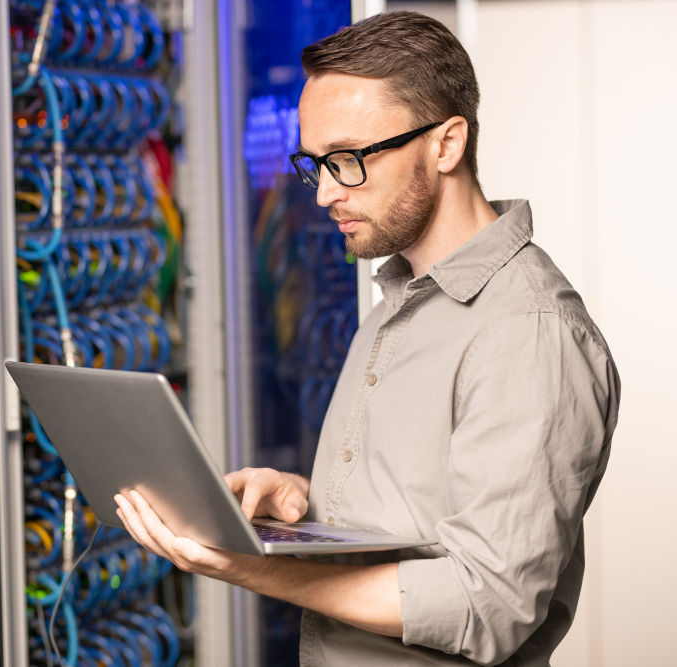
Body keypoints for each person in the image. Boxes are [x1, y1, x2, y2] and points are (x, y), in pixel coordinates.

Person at [114, 11, 620, 666]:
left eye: (348, 160)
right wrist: (294, 504)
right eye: (315, 163)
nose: (324, 192)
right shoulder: (397, 302)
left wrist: (249, 566)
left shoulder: (529, 332)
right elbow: (412, 518)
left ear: (446, 144)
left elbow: (486, 602)